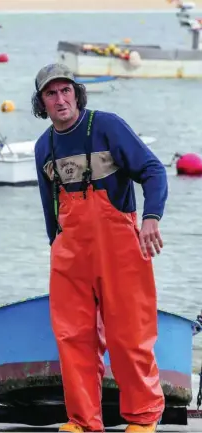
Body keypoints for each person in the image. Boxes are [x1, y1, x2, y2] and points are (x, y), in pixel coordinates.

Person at [31, 63, 167, 433]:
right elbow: (50, 208)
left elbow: (153, 171)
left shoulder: (107, 126)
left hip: (120, 247)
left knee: (129, 334)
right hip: (69, 253)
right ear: (41, 102)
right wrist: (56, 247)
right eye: (51, 93)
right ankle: (82, 421)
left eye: (65, 91)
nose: (60, 99)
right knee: (72, 338)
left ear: (77, 93)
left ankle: (142, 419)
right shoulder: (44, 146)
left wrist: (151, 216)